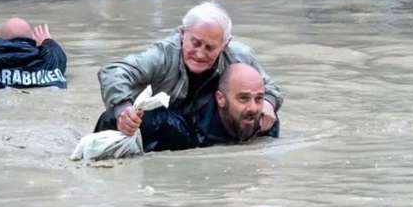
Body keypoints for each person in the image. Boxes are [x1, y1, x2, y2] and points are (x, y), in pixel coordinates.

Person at [97, 1, 282, 137]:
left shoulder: (240, 56)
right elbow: (113, 72)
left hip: (201, 122)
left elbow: (271, 89)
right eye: (195, 43)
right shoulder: (163, 54)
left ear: (225, 46)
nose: (200, 54)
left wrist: (267, 103)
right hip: (162, 121)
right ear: (182, 34)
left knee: (264, 118)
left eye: (210, 48)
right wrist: (124, 110)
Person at [94, 63, 279, 152]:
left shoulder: (265, 122)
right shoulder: (173, 127)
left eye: (259, 98)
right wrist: (125, 118)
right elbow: (107, 121)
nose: (254, 108)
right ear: (221, 99)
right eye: (244, 98)